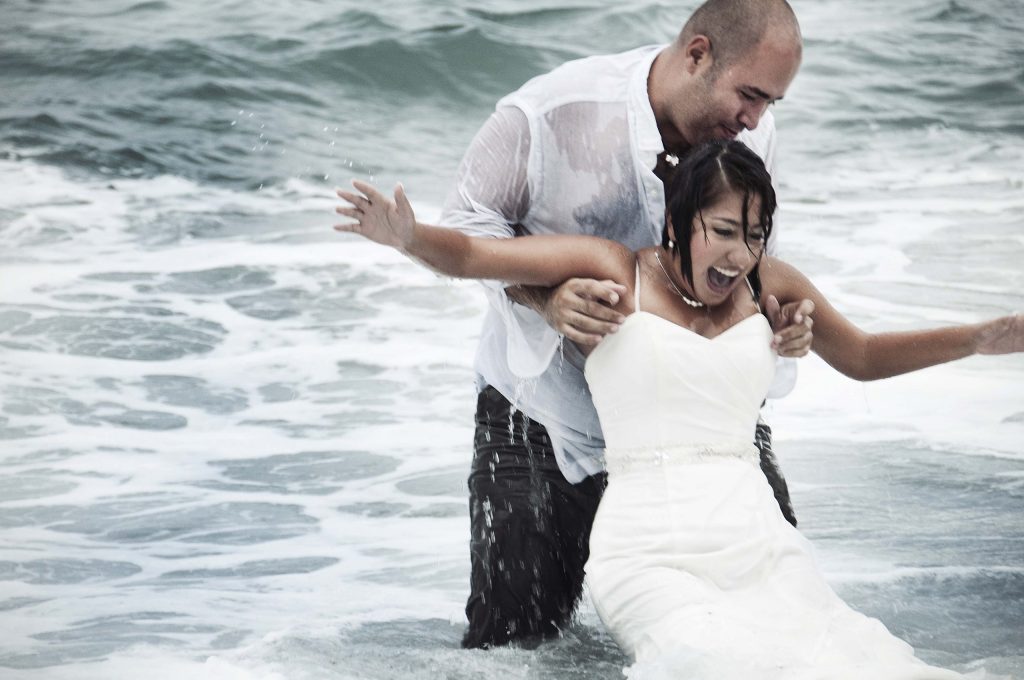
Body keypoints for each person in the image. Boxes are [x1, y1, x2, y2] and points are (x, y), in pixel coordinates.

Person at [334, 139, 1022, 677]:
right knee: (710, 664)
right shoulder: (617, 270)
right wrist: (410, 237)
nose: (739, 251)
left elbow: (865, 357)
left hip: (759, 545)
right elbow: (481, 254)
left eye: (754, 233)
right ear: (677, 221)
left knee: (858, 662)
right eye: (723, 229)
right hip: (649, 551)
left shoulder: (767, 285)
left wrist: (979, 339)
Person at [434, 0, 809, 648]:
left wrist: (780, 317)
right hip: (541, 416)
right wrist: (543, 298)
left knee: (775, 625)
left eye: (770, 103)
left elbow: (754, 263)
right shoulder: (553, 114)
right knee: (512, 650)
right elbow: (464, 229)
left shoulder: (747, 138)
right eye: (750, 95)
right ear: (697, 54)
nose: (756, 120)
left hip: (694, 425)